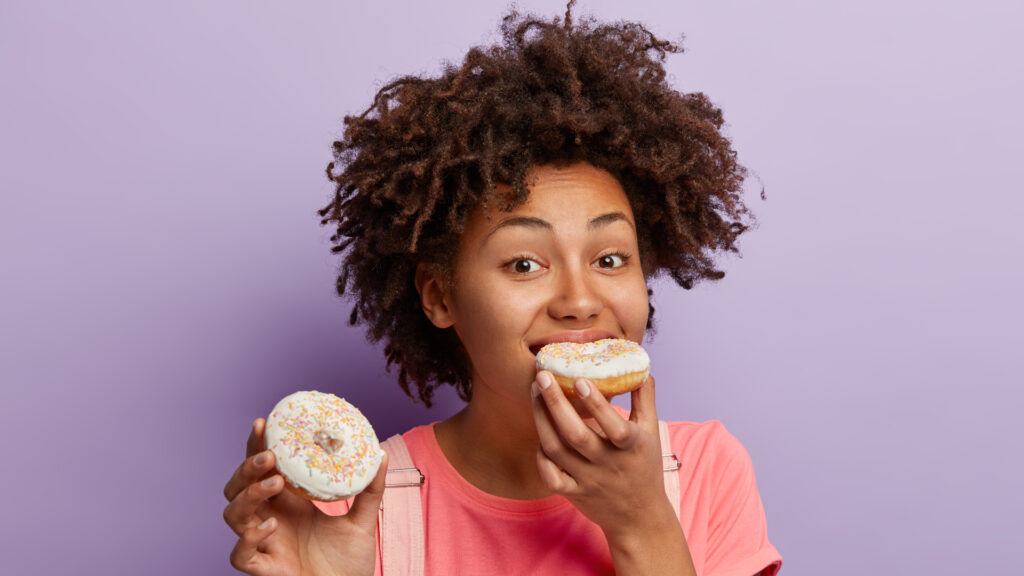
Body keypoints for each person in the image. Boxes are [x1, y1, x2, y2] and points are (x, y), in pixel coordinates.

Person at [222, 2, 782, 575]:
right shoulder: (354, 506)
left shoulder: (706, 469)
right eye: (523, 265)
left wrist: (642, 524)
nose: (581, 301)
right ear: (440, 297)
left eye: (610, 258)